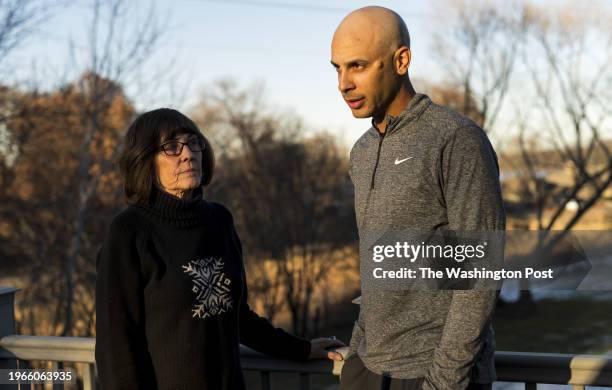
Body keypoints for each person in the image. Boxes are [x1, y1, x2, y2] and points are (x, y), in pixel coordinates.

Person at [95, 108, 343, 390]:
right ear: (145, 161)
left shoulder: (219, 221)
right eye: (172, 147)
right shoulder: (129, 231)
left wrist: (301, 349)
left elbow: (237, 315)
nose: (188, 154)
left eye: (193, 142)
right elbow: (115, 348)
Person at [331, 6, 505, 390]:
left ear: (401, 60)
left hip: (434, 374)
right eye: (337, 68)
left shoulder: (455, 139)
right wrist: (358, 346)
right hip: (369, 369)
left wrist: (444, 381)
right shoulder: (361, 151)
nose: (343, 83)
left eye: (357, 66)